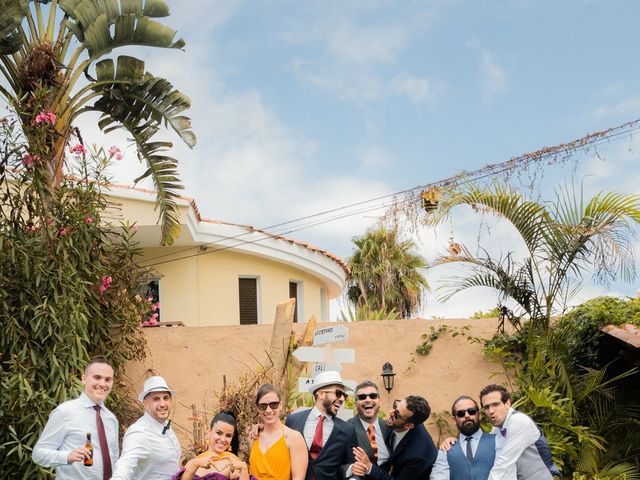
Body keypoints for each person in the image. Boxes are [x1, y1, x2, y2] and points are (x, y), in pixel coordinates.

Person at [33, 357, 119, 479]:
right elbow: (38, 454)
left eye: (108, 379)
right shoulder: (65, 412)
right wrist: (67, 456)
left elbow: (114, 458)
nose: (102, 384)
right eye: (97, 377)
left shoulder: (111, 419)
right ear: (84, 379)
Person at [285, 370, 358, 480]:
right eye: (338, 393)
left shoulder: (347, 430)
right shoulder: (293, 420)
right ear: (321, 394)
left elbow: (352, 467)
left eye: (344, 395)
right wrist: (260, 429)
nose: (342, 399)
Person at [480, 384, 561, 480]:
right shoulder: (497, 429)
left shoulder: (518, 421)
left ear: (507, 403)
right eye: (486, 407)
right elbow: (487, 457)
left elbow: (502, 466)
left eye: (495, 404)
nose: (491, 411)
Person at [111, 376, 182, 479]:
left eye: (165, 398)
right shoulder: (139, 432)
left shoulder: (165, 425)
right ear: (145, 404)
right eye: (156, 399)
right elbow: (125, 464)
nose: (162, 404)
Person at [352, 395, 438, 480]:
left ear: (408, 426)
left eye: (397, 414)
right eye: (395, 406)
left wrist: (370, 467)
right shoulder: (404, 423)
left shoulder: (418, 456)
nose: (390, 412)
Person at [248, 383, 308, 480]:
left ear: (280, 405)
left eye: (273, 405)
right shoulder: (253, 437)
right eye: (263, 406)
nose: (268, 410)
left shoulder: (294, 438)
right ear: (257, 409)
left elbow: (298, 478)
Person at [172, 411, 253, 480]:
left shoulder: (233, 463)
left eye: (228, 436)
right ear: (209, 431)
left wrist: (244, 468)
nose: (223, 439)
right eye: (219, 433)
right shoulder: (194, 462)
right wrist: (195, 465)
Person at [430, 395, 496, 480]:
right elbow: (438, 477)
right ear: (454, 420)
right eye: (461, 413)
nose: (467, 415)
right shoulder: (446, 449)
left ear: (478, 415)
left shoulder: (497, 441)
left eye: (471, 411)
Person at [346, 381, 391, 469]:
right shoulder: (347, 428)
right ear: (355, 404)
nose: (368, 400)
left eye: (372, 396)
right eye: (362, 397)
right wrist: (350, 469)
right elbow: (340, 464)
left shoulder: (389, 427)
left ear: (380, 401)